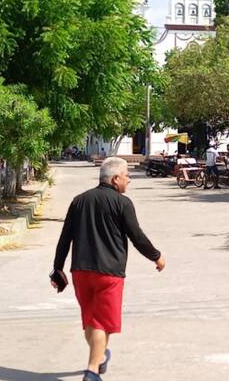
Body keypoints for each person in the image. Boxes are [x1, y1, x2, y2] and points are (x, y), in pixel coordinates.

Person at [52, 157, 165, 381]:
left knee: (91, 320)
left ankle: (100, 356)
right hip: (109, 273)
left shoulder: (79, 201)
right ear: (115, 179)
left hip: (81, 272)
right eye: (127, 175)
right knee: (101, 323)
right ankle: (92, 370)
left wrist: (58, 269)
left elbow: (65, 238)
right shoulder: (123, 203)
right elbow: (137, 237)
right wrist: (157, 256)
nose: (129, 180)